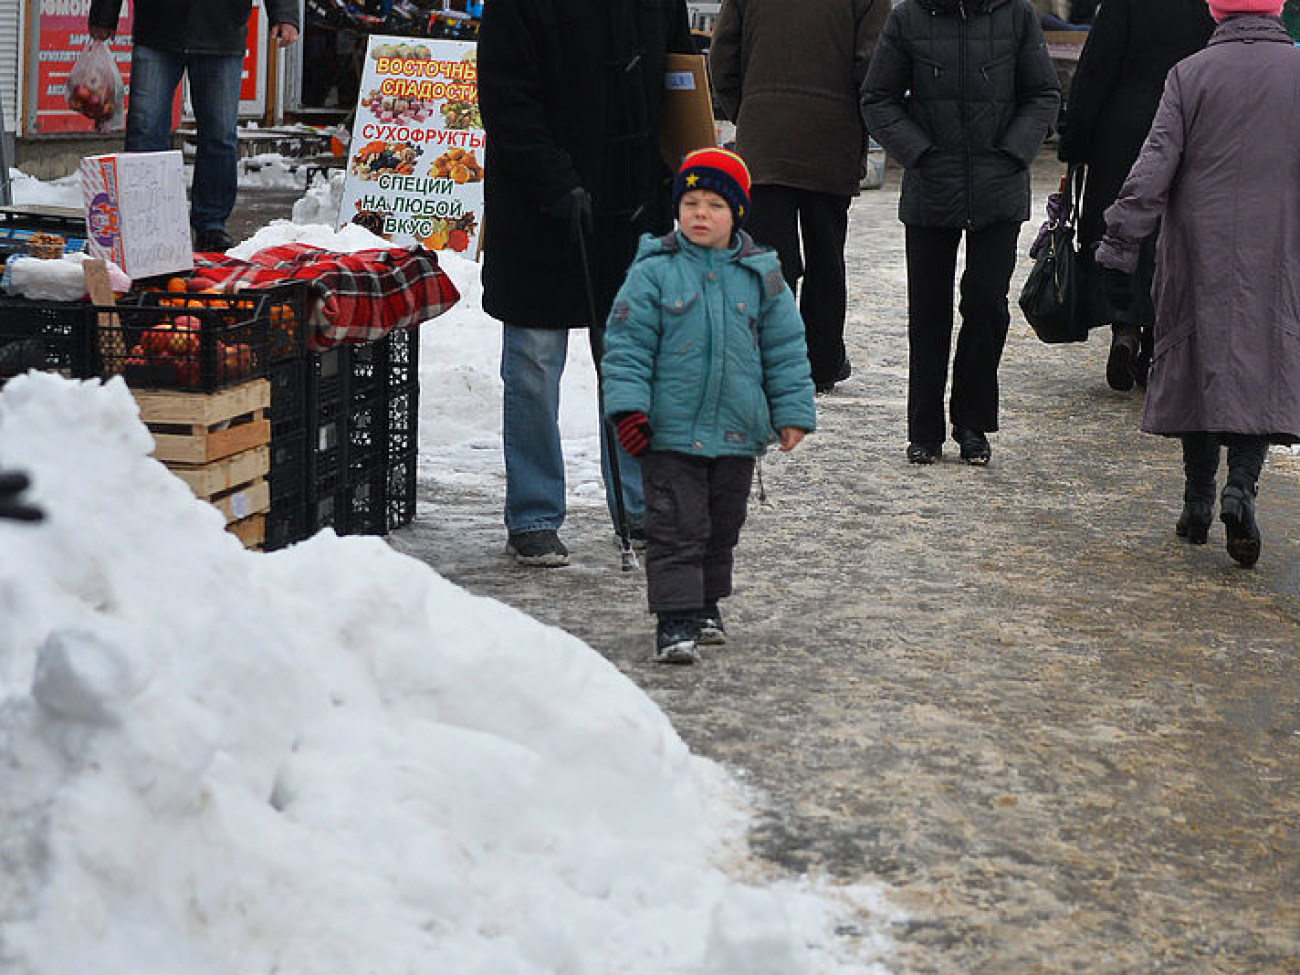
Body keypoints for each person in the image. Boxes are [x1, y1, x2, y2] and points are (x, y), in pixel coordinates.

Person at [478, 0, 695, 568]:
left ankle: (639, 503)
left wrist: (683, 168)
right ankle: (533, 514)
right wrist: (554, 182)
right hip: (541, 213)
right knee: (532, 365)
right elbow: (505, 99)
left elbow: (680, 79)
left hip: (632, 206)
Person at [1094, 0, 1300, 568]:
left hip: (1197, 246)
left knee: (1198, 362)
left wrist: (1121, 241)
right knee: (1261, 362)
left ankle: (1197, 502)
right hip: (1277, 247)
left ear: (1217, 11)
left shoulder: (1189, 74)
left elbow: (1154, 164)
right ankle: (1242, 489)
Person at [601, 148, 816, 663]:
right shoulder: (653, 271)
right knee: (676, 527)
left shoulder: (762, 276)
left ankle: (706, 606)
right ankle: (674, 621)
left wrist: (790, 413)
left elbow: (785, 350)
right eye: (691, 202)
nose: (701, 213)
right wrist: (628, 411)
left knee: (722, 527)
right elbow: (626, 346)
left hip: (737, 432)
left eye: (715, 205)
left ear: (737, 213)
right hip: (668, 434)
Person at [861, 0, 1060, 466]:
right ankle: (923, 430)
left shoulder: (1017, 16)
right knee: (928, 311)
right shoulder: (908, 16)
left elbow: (1043, 94)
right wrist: (919, 153)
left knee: (986, 305)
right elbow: (877, 97)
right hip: (932, 184)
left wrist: (1015, 151)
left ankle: (972, 424)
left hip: (999, 185)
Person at [709, 0, 889, 395]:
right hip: (831, 138)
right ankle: (821, 362)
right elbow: (871, 64)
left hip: (764, 141)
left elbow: (722, 57)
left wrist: (752, 111)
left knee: (770, 259)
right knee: (826, 256)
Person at [1057, 0, 1214, 391]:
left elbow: (1096, 70)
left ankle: (1125, 326)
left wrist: (1075, 141)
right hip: (1186, 131)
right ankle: (1156, 343)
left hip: (1122, 130)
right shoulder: (1207, 5)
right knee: (1169, 238)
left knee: (1124, 234)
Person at [87, 0, 301, 254]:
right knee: (144, 133)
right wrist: (104, 13)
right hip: (158, 28)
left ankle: (211, 225)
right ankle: (144, 222)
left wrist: (285, 14)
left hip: (221, 30)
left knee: (219, 136)